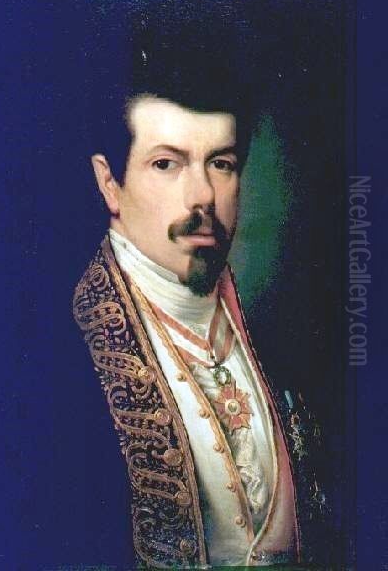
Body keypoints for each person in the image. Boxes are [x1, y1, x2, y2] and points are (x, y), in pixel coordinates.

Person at [73, 80, 330, 567]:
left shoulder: (276, 340)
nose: (203, 196)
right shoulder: (67, 352)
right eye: (166, 164)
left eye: (221, 164)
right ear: (109, 183)